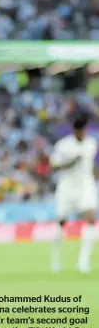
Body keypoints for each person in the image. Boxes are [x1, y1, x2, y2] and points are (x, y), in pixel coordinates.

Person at [50, 114, 98, 274]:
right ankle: (56, 258)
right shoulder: (63, 145)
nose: (82, 134)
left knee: (91, 219)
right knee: (61, 222)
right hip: (67, 187)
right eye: (80, 131)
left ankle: (83, 262)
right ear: (75, 131)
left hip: (86, 185)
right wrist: (71, 162)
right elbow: (54, 166)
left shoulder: (91, 144)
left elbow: (92, 166)